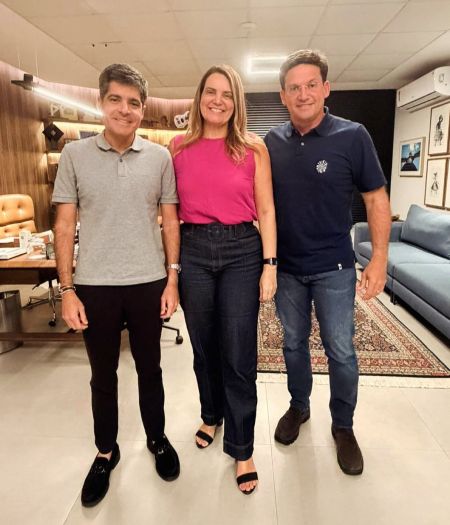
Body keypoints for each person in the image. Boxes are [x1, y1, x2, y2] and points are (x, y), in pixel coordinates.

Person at [52, 63, 181, 507]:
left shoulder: (160, 158)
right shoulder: (74, 155)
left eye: (134, 103)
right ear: (100, 102)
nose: (125, 110)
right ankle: (106, 451)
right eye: (116, 100)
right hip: (94, 286)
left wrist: (173, 278)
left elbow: (170, 221)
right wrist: (67, 289)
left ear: (143, 108)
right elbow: (64, 225)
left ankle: (157, 439)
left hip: (148, 283)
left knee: (151, 370)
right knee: (102, 375)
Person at [264, 49, 391, 475]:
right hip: (287, 269)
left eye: (311, 85)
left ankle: (343, 425)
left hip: (334, 267)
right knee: (292, 343)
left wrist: (378, 258)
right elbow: (262, 205)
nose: (303, 94)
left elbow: (376, 199)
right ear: (283, 96)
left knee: (341, 350)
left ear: (326, 89)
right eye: (294, 88)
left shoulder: (353, 136)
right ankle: (299, 406)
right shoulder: (271, 143)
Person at [169, 64, 277, 494]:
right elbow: (169, 212)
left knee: (238, 351)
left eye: (227, 94)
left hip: (241, 252)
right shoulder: (177, 147)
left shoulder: (253, 148)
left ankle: (242, 445)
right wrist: (171, 270)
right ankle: (211, 414)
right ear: (199, 98)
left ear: (237, 103)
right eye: (211, 92)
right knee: (203, 346)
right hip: (194, 250)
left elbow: (266, 209)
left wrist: (270, 264)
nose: (218, 100)